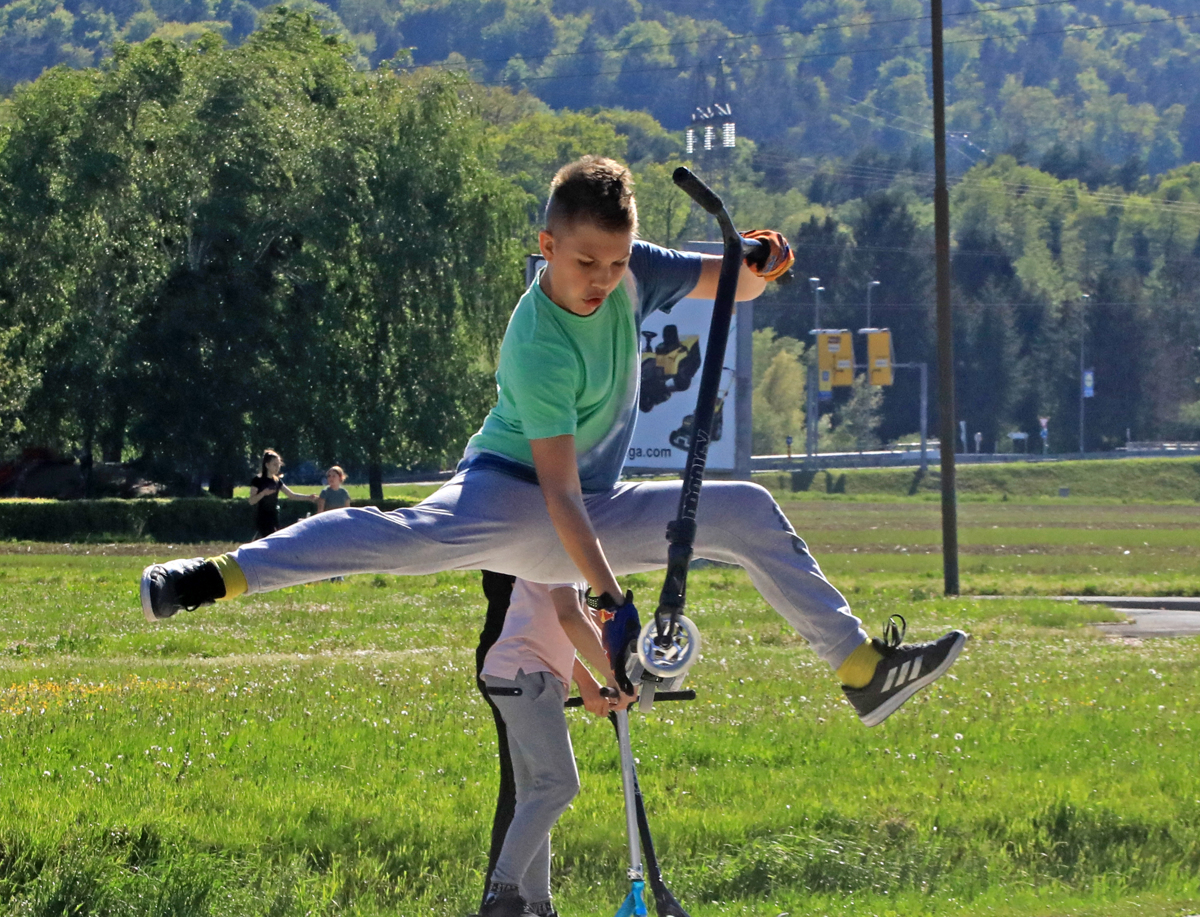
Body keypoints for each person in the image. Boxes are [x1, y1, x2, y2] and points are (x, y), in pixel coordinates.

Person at [140, 155, 965, 729]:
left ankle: (862, 670)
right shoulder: (537, 341)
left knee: (746, 509)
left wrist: (761, 260)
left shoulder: (633, 268)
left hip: (591, 512)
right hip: (509, 497)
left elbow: (733, 289)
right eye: (585, 263)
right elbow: (556, 495)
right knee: (396, 539)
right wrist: (609, 599)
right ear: (547, 248)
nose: (602, 279)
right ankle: (213, 577)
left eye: (614, 261)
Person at [476, 575, 633, 917]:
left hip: (523, 676)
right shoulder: (558, 554)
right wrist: (615, 676)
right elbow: (569, 618)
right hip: (524, 674)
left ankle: (539, 906)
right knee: (558, 784)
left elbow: (581, 617)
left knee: (533, 796)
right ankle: (501, 894)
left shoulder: (568, 567)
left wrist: (614, 669)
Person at [248, 450, 317, 540]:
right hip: (261, 517)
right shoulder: (257, 480)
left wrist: (308, 497)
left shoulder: (277, 481)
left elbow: (291, 495)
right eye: (274, 464)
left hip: (274, 516)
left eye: (279, 464)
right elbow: (251, 501)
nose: (277, 467)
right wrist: (263, 493)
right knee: (268, 539)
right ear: (267, 465)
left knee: (272, 539)